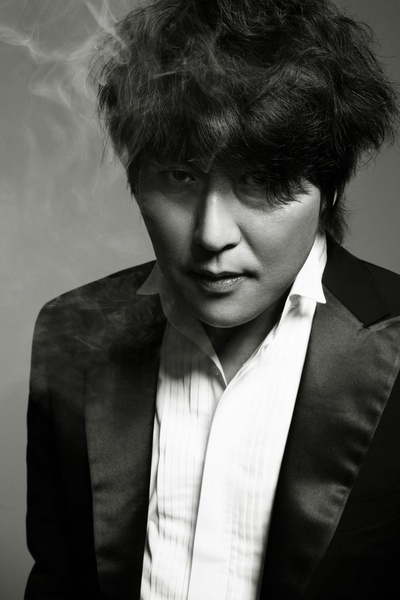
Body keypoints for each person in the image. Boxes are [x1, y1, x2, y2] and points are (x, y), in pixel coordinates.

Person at [25, 1, 400, 598]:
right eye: (180, 176)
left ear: (328, 190)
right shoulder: (71, 331)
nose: (211, 235)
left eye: (261, 182)